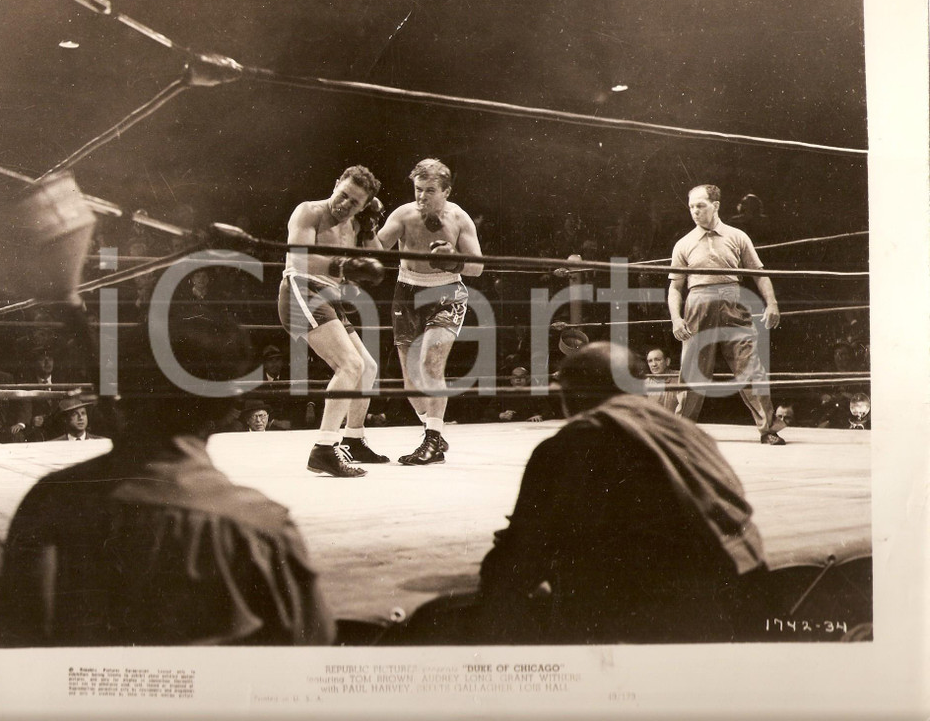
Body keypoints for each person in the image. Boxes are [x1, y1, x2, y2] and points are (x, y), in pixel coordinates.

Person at [0, 313, 335, 647]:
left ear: (123, 388)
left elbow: (18, 640)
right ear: (230, 402)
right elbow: (310, 663)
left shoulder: (51, 500)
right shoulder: (262, 527)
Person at [473, 342, 768, 644]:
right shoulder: (687, 432)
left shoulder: (577, 440)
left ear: (571, 393)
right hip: (746, 599)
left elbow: (516, 561)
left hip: (668, 619)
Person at [278, 165, 389, 477]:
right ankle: (324, 449)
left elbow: (379, 261)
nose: (345, 204)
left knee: (367, 367)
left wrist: (369, 229)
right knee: (350, 365)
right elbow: (300, 257)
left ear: (364, 206)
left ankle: (353, 439)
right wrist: (345, 263)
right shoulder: (309, 212)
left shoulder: (356, 225)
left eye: (354, 202)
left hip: (329, 299)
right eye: (343, 195)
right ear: (336, 183)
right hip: (301, 289)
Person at [375, 158, 484, 464]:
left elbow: (476, 267)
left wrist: (454, 260)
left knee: (430, 363)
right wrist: (369, 224)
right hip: (406, 292)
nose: (422, 196)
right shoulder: (404, 215)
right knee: (411, 381)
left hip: (447, 291)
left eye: (430, 190)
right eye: (418, 189)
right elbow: (376, 249)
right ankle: (432, 430)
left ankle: (433, 441)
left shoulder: (459, 219)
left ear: (446, 191)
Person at [668, 184, 786, 445]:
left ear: (716, 205)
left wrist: (772, 303)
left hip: (733, 300)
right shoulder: (684, 243)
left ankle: (768, 429)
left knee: (750, 365)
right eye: (691, 207)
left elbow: (759, 273)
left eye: (700, 205)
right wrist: (676, 318)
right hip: (698, 301)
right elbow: (675, 287)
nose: (695, 211)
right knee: (692, 370)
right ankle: (679, 433)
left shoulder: (737, 236)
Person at [644, 346, 684, 414]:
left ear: (667, 361)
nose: (654, 364)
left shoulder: (680, 378)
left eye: (657, 360)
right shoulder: (645, 383)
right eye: (650, 361)